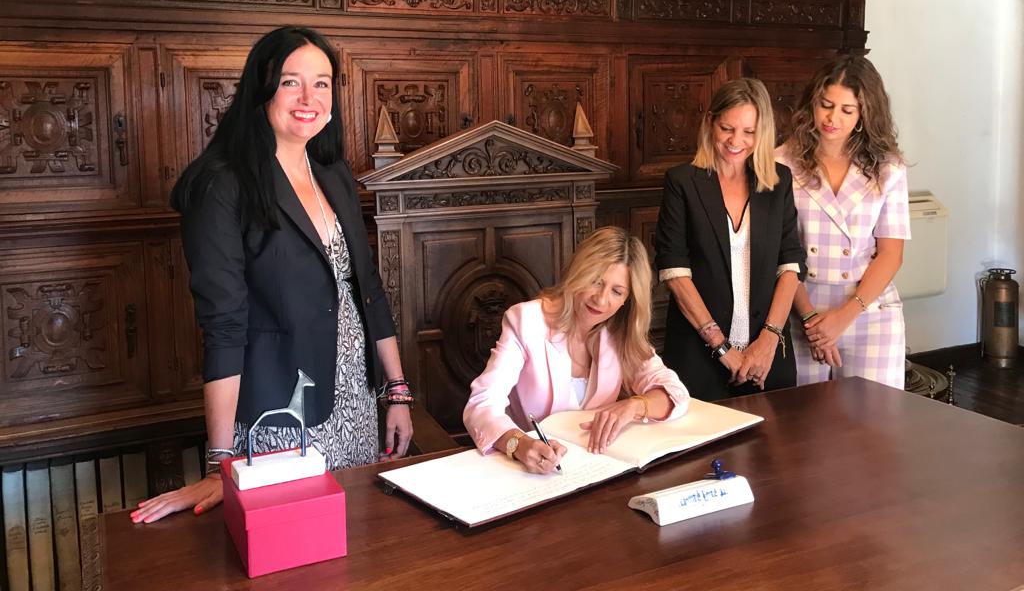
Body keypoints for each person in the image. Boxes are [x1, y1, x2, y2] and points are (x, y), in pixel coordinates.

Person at [131, 26, 413, 523]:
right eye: (291, 82)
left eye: (322, 83)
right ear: (261, 87)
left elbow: (368, 290)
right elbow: (224, 326)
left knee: (359, 548)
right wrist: (222, 463)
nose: (310, 98)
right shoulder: (221, 184)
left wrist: (396, 391)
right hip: (281, 417)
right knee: (296, 556)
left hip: (354, 398)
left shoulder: (332, 171)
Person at [463, 227, 689, 474]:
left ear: (627, 300)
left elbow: (675, 392)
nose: (601, 300)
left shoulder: (621, 333)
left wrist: (635, 405)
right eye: (595, 281)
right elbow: (482, 405)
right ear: (577, 273)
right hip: (531, 472)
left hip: (598, 469)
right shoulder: (526, 320)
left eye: (617, 291)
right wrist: (519, 443)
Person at [654, 78, 805, 401]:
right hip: (698, 358)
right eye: (727, 128)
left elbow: (790, 265)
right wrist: (722, 347)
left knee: (778, 449)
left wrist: (767, 341)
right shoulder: (682, 182)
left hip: (768, 358)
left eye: (749, 132)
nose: (737, 140)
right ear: (710, 122)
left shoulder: (779, 182)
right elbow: (675, 273)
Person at [777, 55, 910, 389]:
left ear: (865, 115)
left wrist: (844, 316)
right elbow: (780, 250)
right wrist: (812, 321)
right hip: (800, 310)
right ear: (812, 103)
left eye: (847, 111)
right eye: (826, 105)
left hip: (869, 311)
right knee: (804, 430)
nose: (832, 118)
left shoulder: (888, 168)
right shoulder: (781, 163)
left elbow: (891, 254)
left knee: (874, 431)